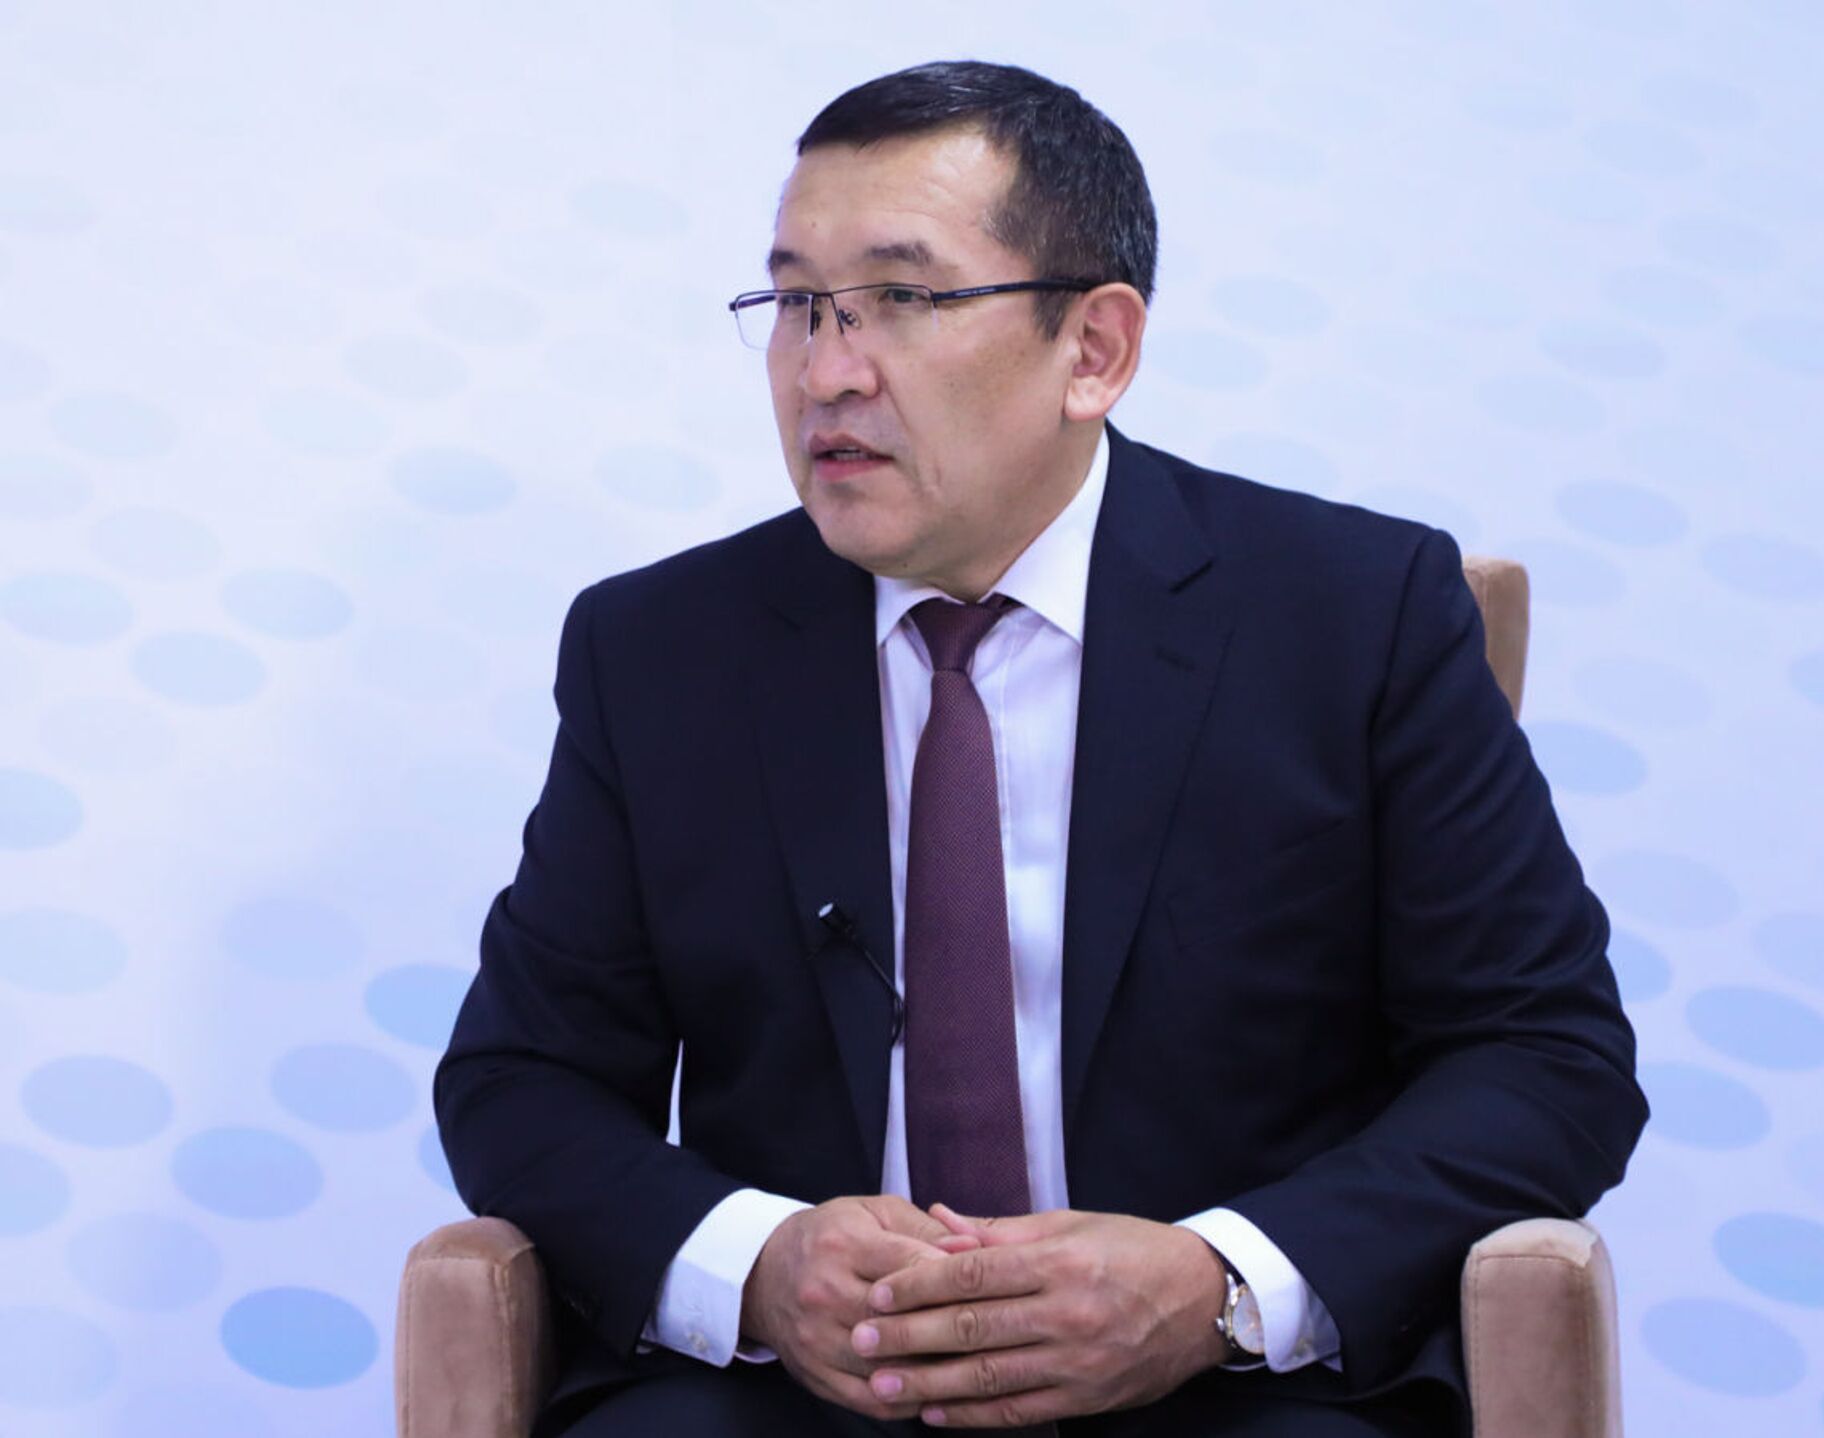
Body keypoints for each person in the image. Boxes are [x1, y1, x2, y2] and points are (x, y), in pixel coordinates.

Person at [435, 60, 1646, 1438]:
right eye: (797, 304)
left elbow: (1546, 1056)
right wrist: (760, 1267)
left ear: (1095, 349)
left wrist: (1215, 1281)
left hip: (1228, 1385)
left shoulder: (1354, 616)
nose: (827, 370)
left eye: (903, 299)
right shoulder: (660, 649)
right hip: (802, 1390)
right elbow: (519, 1081)